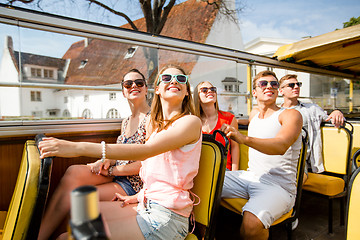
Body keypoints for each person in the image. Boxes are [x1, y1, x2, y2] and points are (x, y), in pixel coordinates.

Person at [38, 64, 202, 240]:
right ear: (158, 90)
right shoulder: (158, 128)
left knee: (67, 238)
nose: (174, 81)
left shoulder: (190, 122)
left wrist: (77, 147)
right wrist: (139, 196)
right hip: (147, 203)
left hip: (167, 216)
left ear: (186, 92)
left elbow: (146, 152)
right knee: (79, 213)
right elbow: (158, 173)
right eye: (167, 78)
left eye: (181, 79)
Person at [38, 69, 150, 240]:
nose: (134, 86)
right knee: (74, 172)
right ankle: (39, 235)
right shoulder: (126, 121)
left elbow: (147, 164)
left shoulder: (151, 120)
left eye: (139, 83)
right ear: (123, 91)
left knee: (78, 199)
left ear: (146, 88)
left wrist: (112, 171)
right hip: (117, 175)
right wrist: (105, 160)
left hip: (133, 184)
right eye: (128, 84)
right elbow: (122, 149)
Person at [220, 70, 303, 240]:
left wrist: (244, 139)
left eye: (274, 84)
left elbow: (281, 146)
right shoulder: (253, 115)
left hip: (278, 187)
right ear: (254, 92)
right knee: (203, 180)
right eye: (263, 84)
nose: (269, 87)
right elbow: (256, 124)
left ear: (278, 90)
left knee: (251, 226)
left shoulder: (290, 115)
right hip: (250, 177)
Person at [278, 74, 345, 179]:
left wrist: (337, 112)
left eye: (298, 84)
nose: (296, 87)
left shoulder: (311, 109)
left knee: (296, 176)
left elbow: (332, 119)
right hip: (280, 155)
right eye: (291, 85)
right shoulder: (276, 112)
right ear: (281, 91)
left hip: (300, 159)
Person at [194, 81, 240, 170]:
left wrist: (234, 172)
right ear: (198, 97)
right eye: (204, 90)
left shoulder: (229, 118)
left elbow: (234, 147)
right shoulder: (193, 122)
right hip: (201, 170)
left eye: (213, 89)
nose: (210, 91)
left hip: (224, 170)